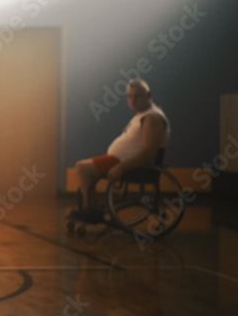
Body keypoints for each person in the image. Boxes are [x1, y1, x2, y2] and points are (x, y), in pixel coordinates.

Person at [71, 78, 170, 223]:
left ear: (149, 96)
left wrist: (120, 167)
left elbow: (150, 152)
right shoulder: (143, 115)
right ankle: (92, 210)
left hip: (127, 164)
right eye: (129, 96)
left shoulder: (152, 118)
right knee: (83, 167)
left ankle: (91, 212)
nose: (133, 100)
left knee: (83, 168)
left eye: (137, 96)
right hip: (119, 160)